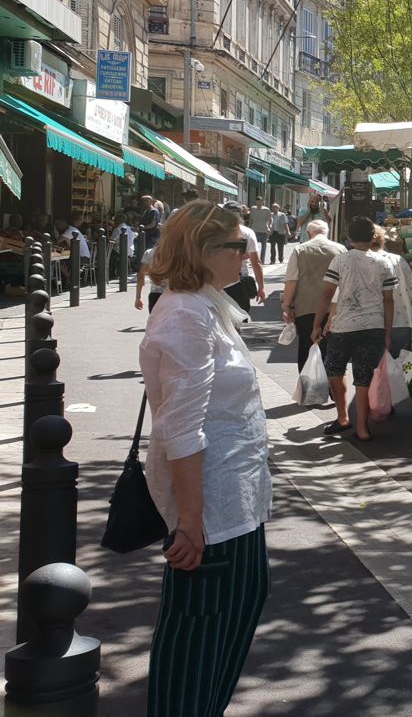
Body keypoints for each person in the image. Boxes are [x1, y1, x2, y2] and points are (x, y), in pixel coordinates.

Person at [139, 200, 271, 716]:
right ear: (203, 249)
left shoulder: (205, 304)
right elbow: (180, 427)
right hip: (211, 507)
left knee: (235, 611)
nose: (247, 254)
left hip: (235, 497)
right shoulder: (185, 316)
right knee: (197, 635)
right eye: (239, 246)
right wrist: (190, 520)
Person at [311, 217, 396, 443]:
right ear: (372, 237)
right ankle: (362, 427)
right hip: (374, 326)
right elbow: (389, 300)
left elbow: (327, 295)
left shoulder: (340, 260)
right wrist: (387, 331)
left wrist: (317, 324)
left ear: (348, 238)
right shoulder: (384, 263)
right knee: (364, 376)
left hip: (344, 326)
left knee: (336, 370)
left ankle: (343, 416)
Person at [281, 220, 345, 371]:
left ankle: (308, 388)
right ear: (327, 232)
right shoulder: (341, 249)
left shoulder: (300, 250)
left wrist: (287, 306)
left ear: (308, 233)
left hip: (305, 309)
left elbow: (291, 281)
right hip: (334, 310)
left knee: (306, 349)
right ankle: (331, 387)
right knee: (331, 351)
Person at [376, 232, 412, 357]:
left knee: (374, 371)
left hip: (373, 324)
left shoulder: (362, 262)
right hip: (402, 321)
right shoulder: (398, 260)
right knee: (401, 369)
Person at [218, 202, 265, 315]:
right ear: (240, 215)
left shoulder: (214, 232)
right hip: (238, 282)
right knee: (238, 320)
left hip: (216, 283)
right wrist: (261, 288)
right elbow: (256, 263)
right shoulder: (247, 233)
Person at [134, 245, 165, 312]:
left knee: (155, 321)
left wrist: (138, 297)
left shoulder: (150, 252)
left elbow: (141, 275)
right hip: (174, 293)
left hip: (155, 294)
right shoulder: (178, 252)